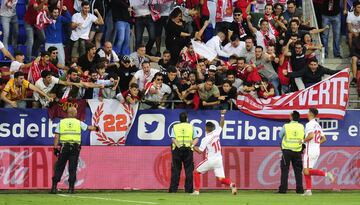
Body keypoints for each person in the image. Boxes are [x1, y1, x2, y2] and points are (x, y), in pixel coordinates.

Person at [50, 107, 99, 194]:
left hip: (64, 148)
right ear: (72, 113)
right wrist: (96, 128)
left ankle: (54, 187)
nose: (76, 113)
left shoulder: (61, 122)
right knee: (72, 168)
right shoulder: (78, 122)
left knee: (59, 167)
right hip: (75, 148)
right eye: (75, 112)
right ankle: (71, 189)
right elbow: (88, 128)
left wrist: (55, 147)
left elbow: (57, 135)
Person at [192, 110, 237, 195]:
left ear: (206, 128)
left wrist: (192, 146)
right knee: (221, 179)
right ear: (213, 128)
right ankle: (231, 184)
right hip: (219, 160)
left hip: (210, 160)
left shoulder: (205, 139)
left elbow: (200, 151)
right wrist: (222, 115)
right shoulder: (217, 132)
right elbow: (221, 124)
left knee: (196, 172)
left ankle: (196, 191)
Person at [302, 108, 335, 196]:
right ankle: (308, 191)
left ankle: (326, 174)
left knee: (306, 171)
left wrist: (302, 141)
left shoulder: (309, 124)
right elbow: (324, 138)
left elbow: (311, 135)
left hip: (310, 150)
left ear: (310, 113)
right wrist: (317, 144)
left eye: (308, 111)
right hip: (316, 149)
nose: (307, 113)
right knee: (308, 170)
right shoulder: (318, 125)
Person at [169, 112, 199, 193]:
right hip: (188, 150)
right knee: (189, 170)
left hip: (177, 150)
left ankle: (173, 189)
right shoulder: (191, 127)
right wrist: (191, 145)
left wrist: (179, 146)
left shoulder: (174, 127)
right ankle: (189, 190)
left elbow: (173, 138)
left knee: (176, 170)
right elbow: (196, 138)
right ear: (186, 119)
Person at [278, 111, 305, 194]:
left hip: (287, 150)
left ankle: (283, 189)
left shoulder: (286, 126)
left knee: (285, 170)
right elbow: (304, 136)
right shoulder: (301, 126)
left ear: (291, 117)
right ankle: (300, 189)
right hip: (297, 150)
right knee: (298, 171)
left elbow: (280, 135)